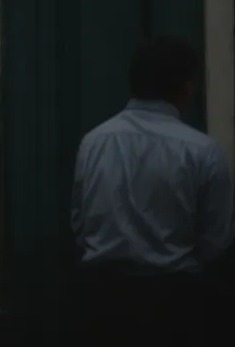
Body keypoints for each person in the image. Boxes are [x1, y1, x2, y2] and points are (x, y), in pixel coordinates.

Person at [72, 36, 233, 345]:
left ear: (133, 83)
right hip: (175, 302)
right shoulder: (203, 151)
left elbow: (80, 223)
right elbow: (218, 239)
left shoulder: (94, 142)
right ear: (187, 87)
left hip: (103, 300)